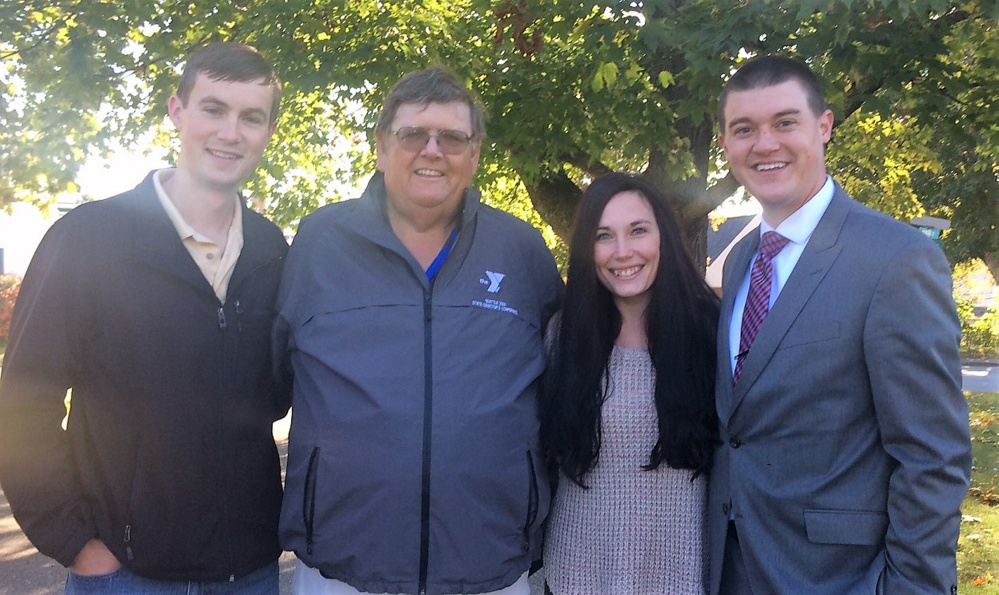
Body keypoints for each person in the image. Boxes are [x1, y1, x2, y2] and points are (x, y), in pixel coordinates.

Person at [0, 42, 289, 593]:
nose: (231, 132)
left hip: (249, 568)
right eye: (213, 108)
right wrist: (73, 541)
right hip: (126, 572)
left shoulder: (271, 249)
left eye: (251, 117)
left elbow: (272, 394)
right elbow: (23, 399)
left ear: (268, 130)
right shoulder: (89, 238)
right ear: (177, 112)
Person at [274, 68, 563, 595]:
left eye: (452, 137)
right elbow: (266, 381)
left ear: (474, 156)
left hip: (491, 566)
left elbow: (566, 378)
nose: (433, 150)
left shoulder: (521, 250)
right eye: (413, 135)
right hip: (343, 568)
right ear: (382, 147)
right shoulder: (319, 243)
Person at [710, 54, 972, 594]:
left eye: (785, 122)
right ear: (725, 143)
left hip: (840, 579)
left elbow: (932, 457)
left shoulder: (893, 259)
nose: (765, 144)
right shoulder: (741, 262)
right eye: (744, 129)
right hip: (733, 568)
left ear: (824, 127)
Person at [540, 172, 719, 594]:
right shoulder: (562, 337)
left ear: (664, 238)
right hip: (575, 576)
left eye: (637, 230)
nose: (623, 252)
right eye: (603, 236)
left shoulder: (712, 331)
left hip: (682, 578)